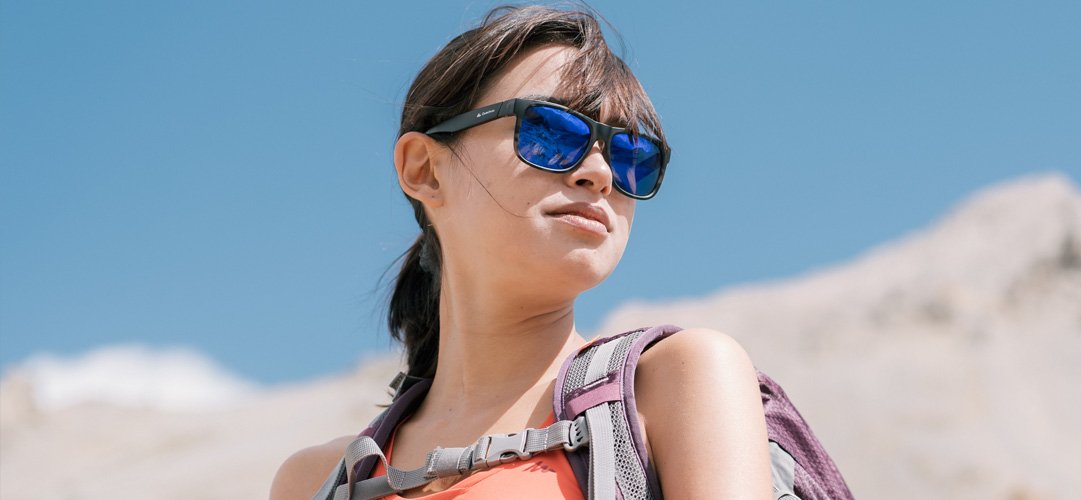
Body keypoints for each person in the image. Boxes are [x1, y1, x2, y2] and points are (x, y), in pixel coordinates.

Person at [270, 4, 774, 499]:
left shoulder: (676, 382)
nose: (599, 174)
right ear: (424, 168)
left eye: (630, 157)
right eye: (550, 132)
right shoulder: (320, 481)